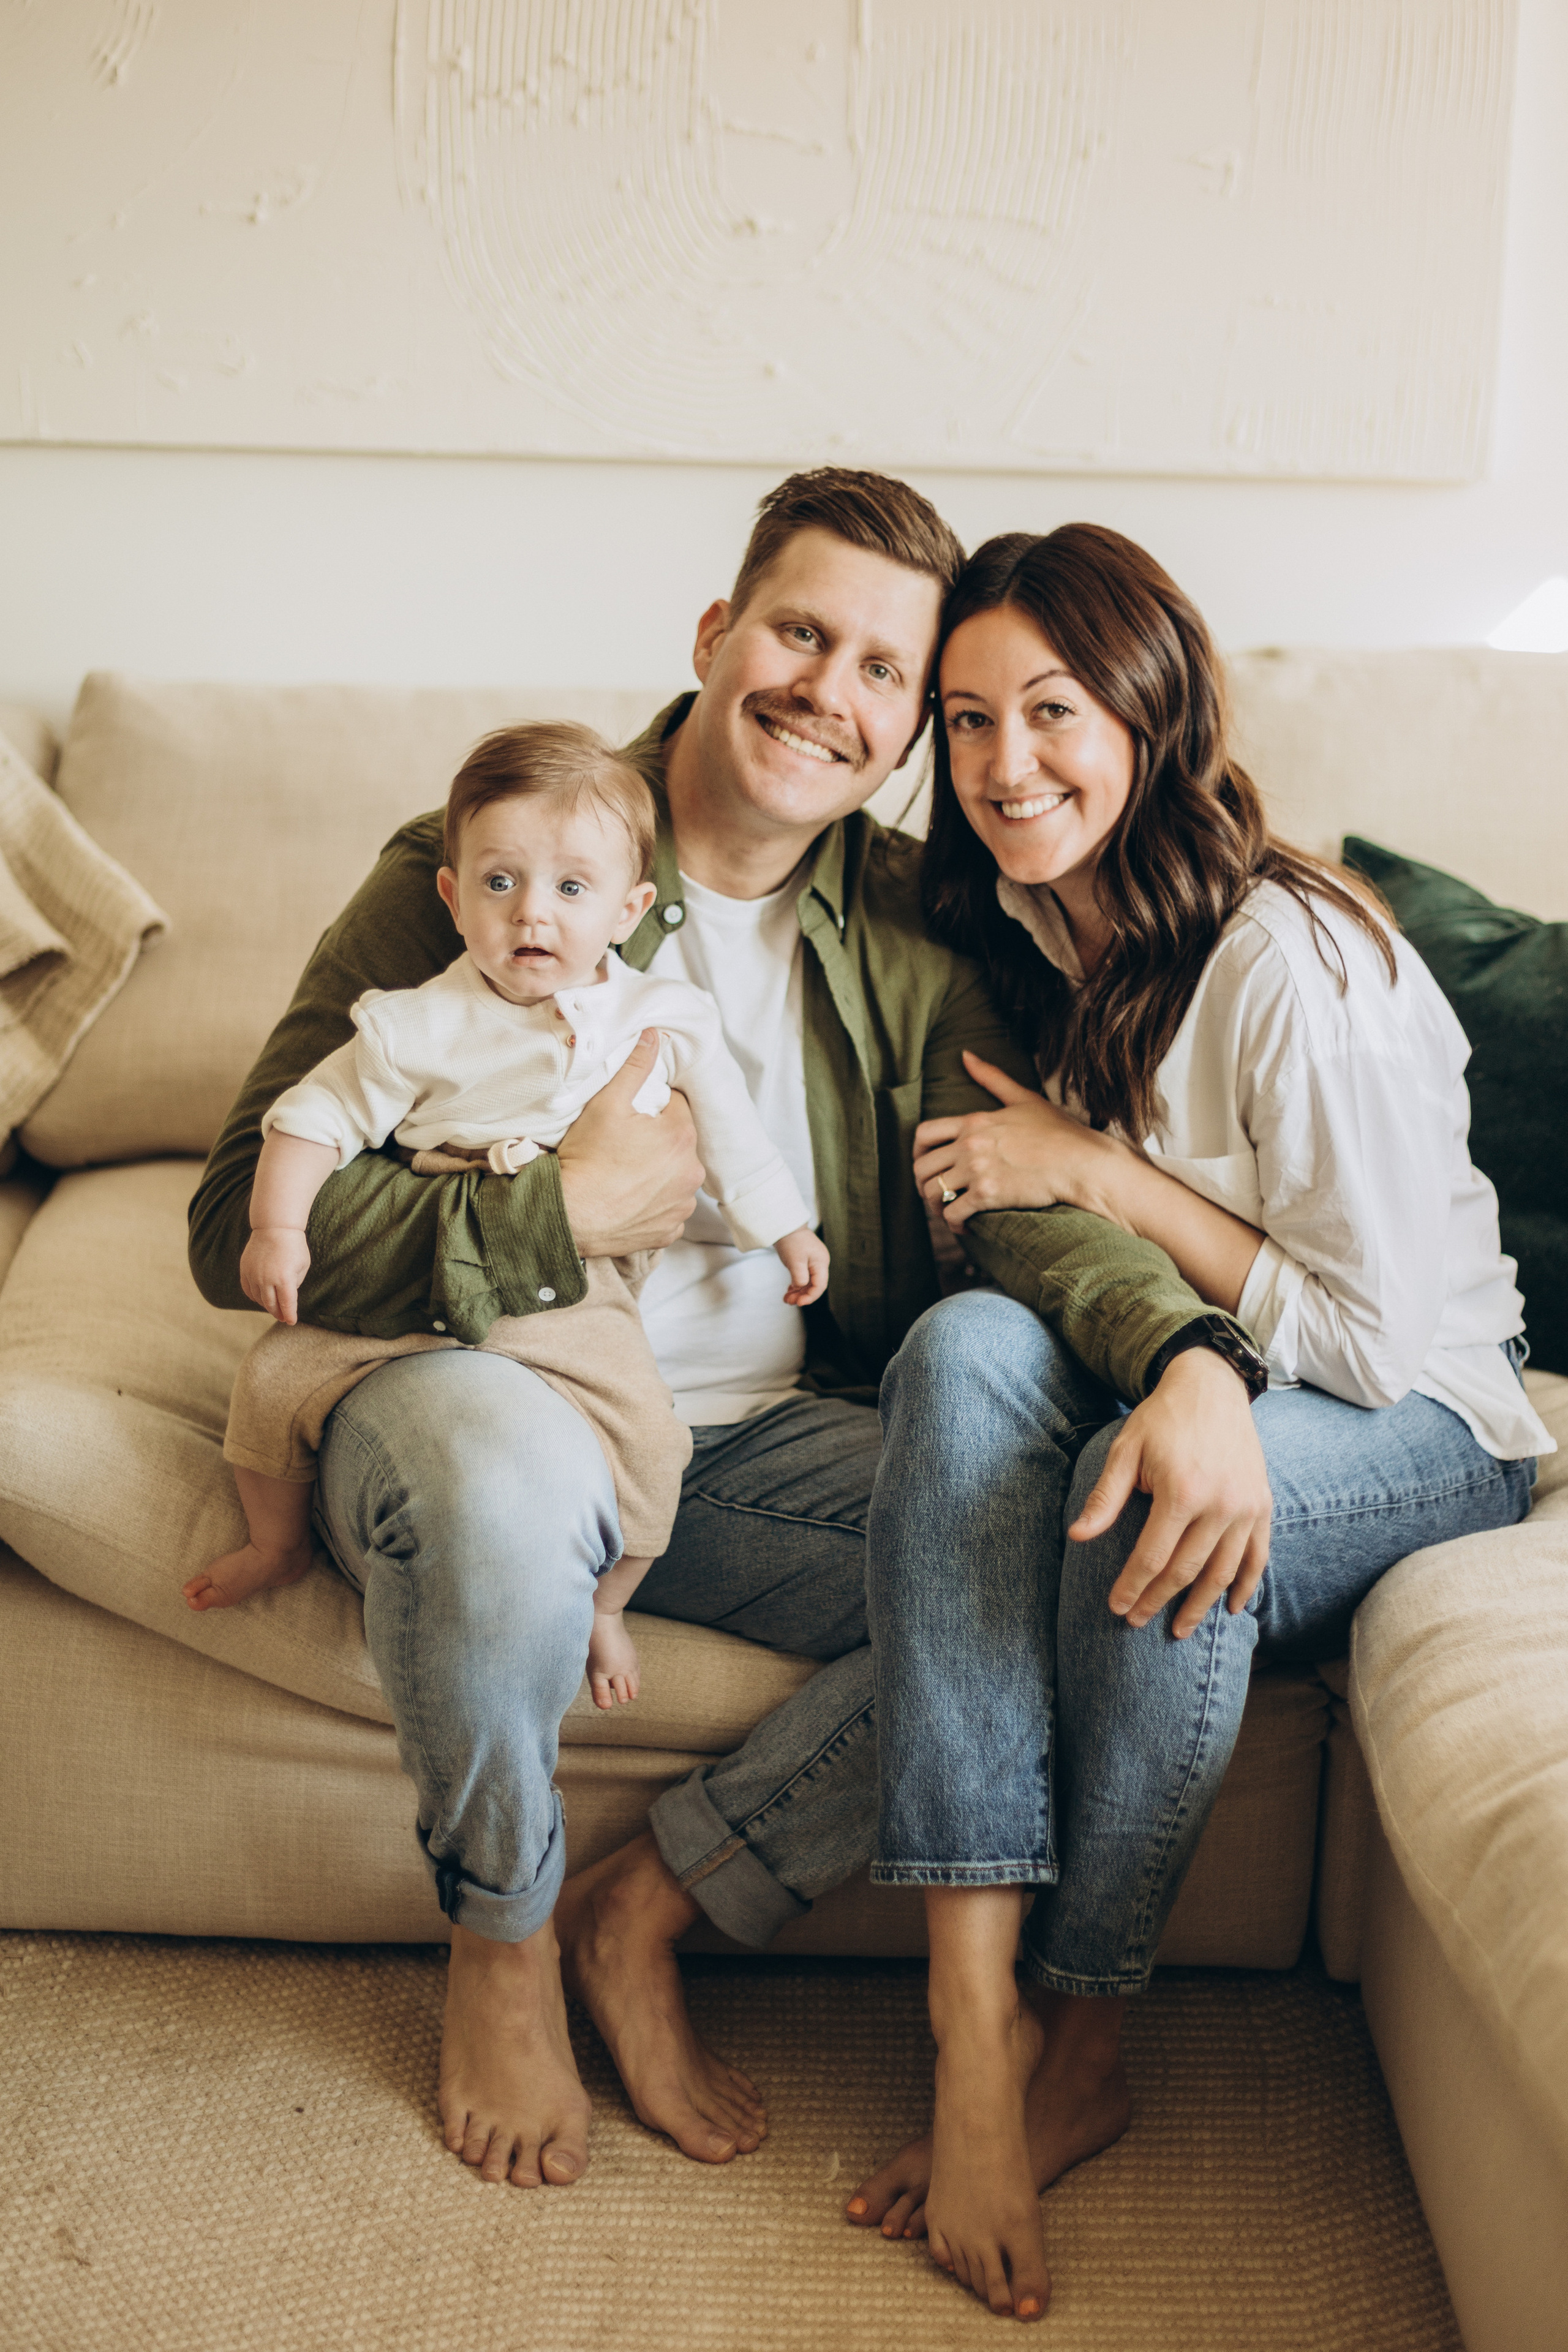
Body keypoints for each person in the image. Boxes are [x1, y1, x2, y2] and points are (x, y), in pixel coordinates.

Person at [188, 472, 1272, 2198]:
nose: (826, 692)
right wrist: (558, 1221)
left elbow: (1017, 1199)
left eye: (880, 672)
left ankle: (655, 1897)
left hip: (753, 1437)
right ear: (715, 634)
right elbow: (236, 1206)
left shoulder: (925, 923)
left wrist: (1187, 1353)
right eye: (798, 632)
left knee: (1089, 1571)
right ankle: (504, 1936)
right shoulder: (502, 861)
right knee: (487, 1469)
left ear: (911, 725)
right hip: (484, 1385)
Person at [846, 524, 1552, 2320]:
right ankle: (973, 2026)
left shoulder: (1286, 961)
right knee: (957, 1363)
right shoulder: (1011, 915)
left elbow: (1377, 1333)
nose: (1009, 769)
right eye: (968, 720)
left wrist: (1100, 1175)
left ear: (1151, 708)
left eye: (1055, 712)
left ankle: (1086, 2032)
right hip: (1213, 1365)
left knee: (1127, 1472)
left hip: (1427, 1419)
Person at [181, 722, 826, 1716]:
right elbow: (312, 1115)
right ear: (452, 896)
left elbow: (736, 1137)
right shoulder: (415, 1023)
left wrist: (786, 1230)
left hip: (585, 1299)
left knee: (652, 1447)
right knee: (271, 1378)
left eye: (572, 889)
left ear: (629, 909)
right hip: (436, 1276)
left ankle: (609, 1603)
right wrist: (280, 1228)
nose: (533, 913)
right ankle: (276, 1541)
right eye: (499, 884)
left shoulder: (665, 1017)